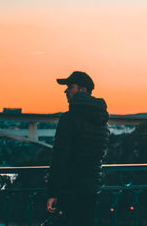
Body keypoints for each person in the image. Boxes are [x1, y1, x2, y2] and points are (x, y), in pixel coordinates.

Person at [46, 71, 110, 226]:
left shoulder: (69, 118)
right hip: (92, 189)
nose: (65, 91)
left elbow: (60, 157)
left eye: (70, 87)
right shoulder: (102, 120)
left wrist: (53, 192)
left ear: (83, 90)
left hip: (70, 189)